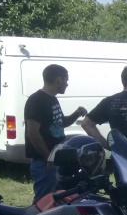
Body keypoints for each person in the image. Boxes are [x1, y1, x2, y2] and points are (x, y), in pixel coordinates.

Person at [24, 64, 87, 203]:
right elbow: (33, 133)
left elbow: (60, 123)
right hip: (44, 162)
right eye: (66, 80)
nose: (67, 84)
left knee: (54, 200)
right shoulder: (36, 100)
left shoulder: (52, 99)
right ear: (58, 80)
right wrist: (49, 157)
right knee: (43, 202)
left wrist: (76, 114)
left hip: (53, 160)